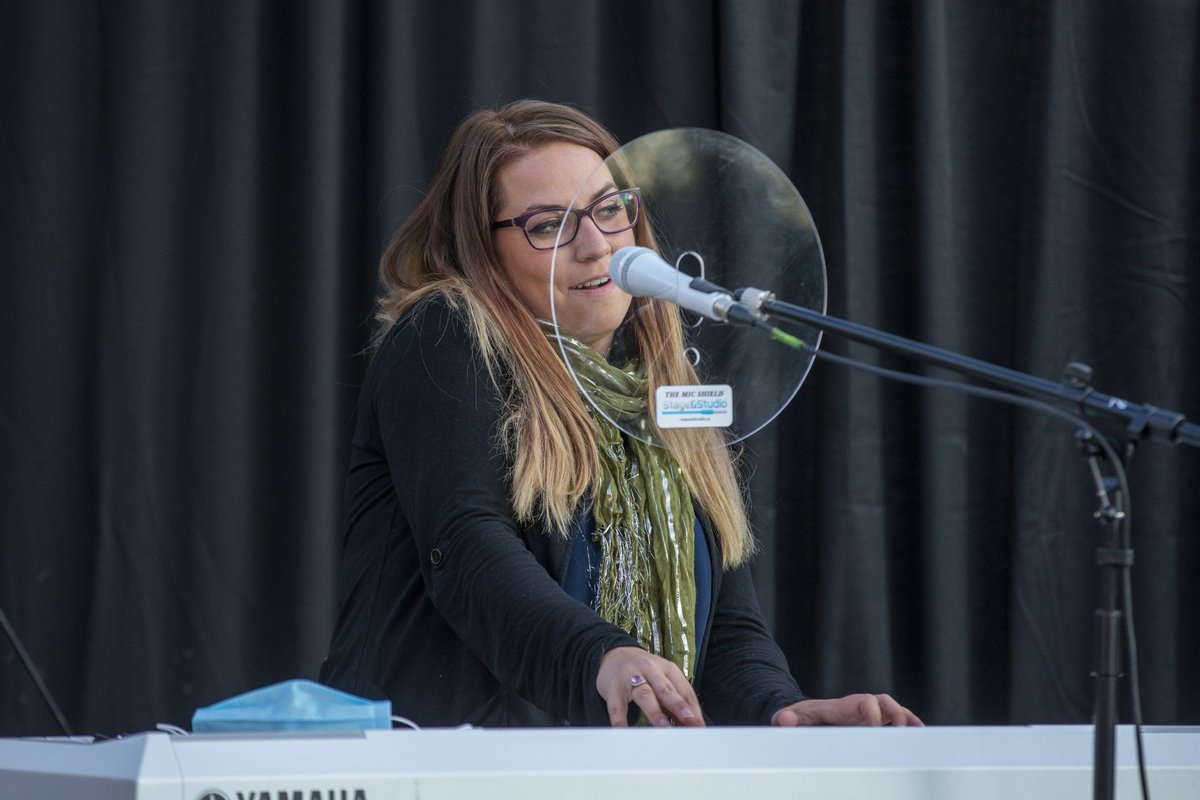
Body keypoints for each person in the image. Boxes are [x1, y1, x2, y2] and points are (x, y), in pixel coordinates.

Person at [319, 99, 921, 729]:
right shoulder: (445, 332)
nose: (595, 246)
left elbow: (725, 629)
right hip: (431, 756)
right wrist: (601, 654)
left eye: (609, 210)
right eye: (548, 225)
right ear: (480, 249)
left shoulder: (667, 387)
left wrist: (781, 710)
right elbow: (467, 545)